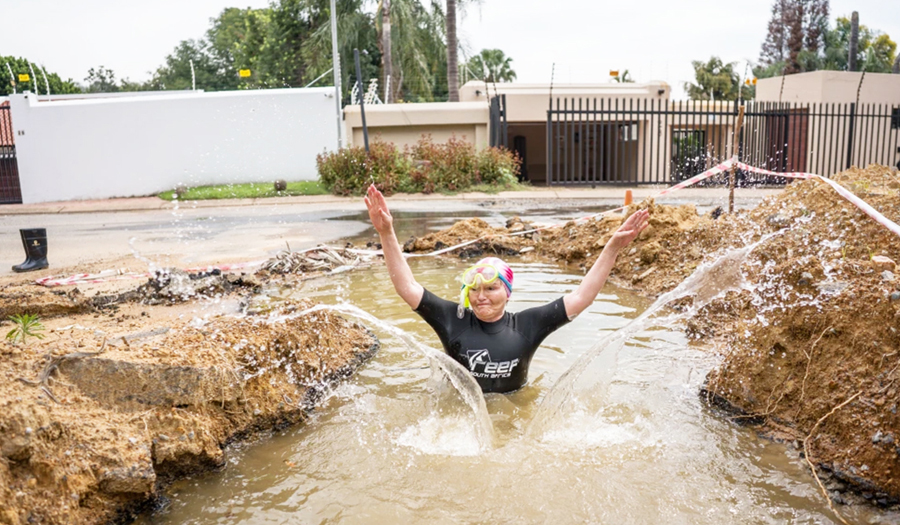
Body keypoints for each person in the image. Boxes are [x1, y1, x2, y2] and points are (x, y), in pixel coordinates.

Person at [365, 184, 649, 393]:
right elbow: (406, 286)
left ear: (507, 292)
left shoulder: (527, 324)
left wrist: (611, 247)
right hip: (461, 413)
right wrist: (386, 232)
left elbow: (582, 297)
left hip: (514, 406)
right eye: (474, 289)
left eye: (491, 288)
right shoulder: (453, 319)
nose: (481, 296)